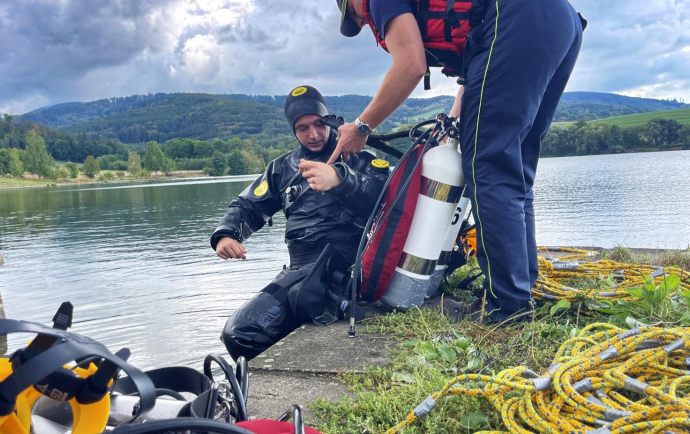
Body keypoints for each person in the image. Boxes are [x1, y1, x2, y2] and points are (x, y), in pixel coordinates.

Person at [332, 0, 585, 322]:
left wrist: (362, 127)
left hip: (515, 17)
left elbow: (410, 65)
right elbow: (477, 67)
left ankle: (508, 307)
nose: (368, 24)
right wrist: (451, 121)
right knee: (515, 170)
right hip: (559, 21)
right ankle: (520, 288)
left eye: (356, 16)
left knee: (489, 170)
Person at [211, 85, 389, 360]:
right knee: (239, 334)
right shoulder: (281, 168)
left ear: (330, 121)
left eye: (319, 124)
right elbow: (248, 205)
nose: (313, 134)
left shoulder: (360, 158)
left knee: (244, 331)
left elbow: (386, 201)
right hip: (301, 272)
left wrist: (342, 181)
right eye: (303, 127)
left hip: (348, 267)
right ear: (293, 130)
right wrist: (227, 234)